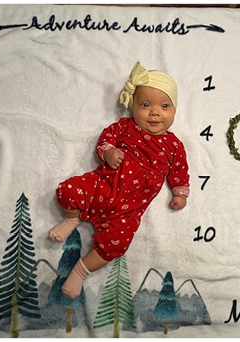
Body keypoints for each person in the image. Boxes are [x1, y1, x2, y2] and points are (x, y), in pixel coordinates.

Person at [48, 61, 190, 298]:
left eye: (164, 106)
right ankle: (71, 219)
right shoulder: (125, 127)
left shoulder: (174, 146)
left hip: (130, 209)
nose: (155, 112)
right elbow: (105, 139)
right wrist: (108, 152)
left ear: (174, 110)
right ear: (132, 105)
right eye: (145, 105)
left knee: (117, 245)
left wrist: (180, 194)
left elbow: (180, 171)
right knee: (67, 190)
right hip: (102, 185)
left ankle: (80, 271)